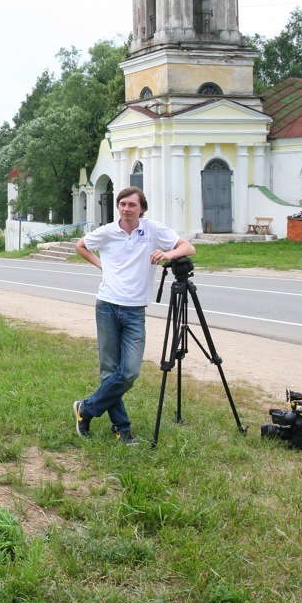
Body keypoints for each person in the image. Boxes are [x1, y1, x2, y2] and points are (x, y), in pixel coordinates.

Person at [73, 187, 195, 444]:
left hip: (135, 310)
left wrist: (167, 254)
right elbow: (81, 246)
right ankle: (122, 428)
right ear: (118, 207)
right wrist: (101, 265)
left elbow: (188, 247)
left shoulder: (152, 230)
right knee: (109, 371)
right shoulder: (107, 231)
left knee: (128, 371)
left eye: (132, 205)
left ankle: (85, 409)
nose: (126, 208)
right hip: (107, 305)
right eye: (122, 204)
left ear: (142, 208)